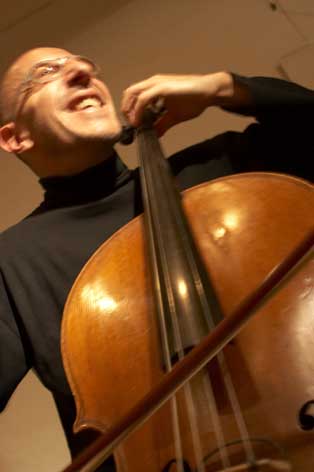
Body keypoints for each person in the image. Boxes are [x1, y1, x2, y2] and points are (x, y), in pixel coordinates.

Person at [0, 47, 313, 472]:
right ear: (14, 137)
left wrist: (222, 88)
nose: (81, 70)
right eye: (46, 72)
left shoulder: (223, 174)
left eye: (87, 66)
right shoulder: (13, 262)